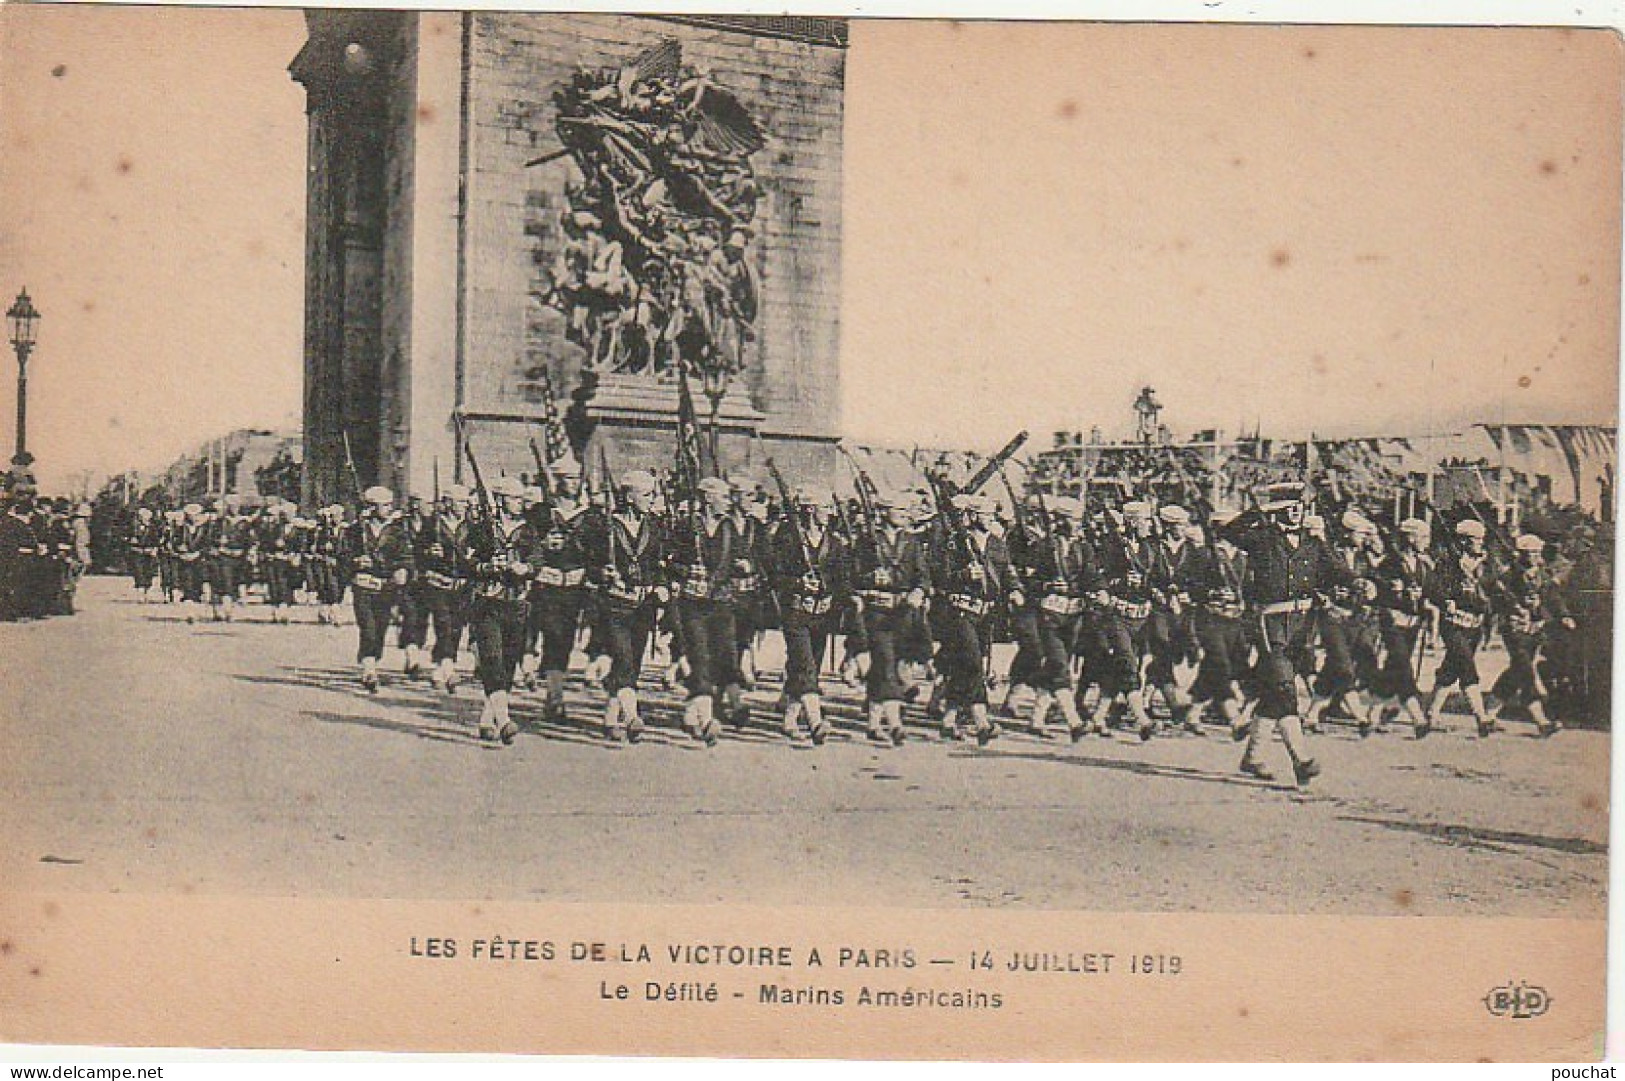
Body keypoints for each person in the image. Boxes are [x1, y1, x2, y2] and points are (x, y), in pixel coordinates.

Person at [1231, 484, 1343, 787]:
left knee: (1272, 695)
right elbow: (1229, 532)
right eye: (1289, 506)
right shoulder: (1263, 539)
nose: (1296, 511)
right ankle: (1302, 760)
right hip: (1271, 623)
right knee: (1284, 688)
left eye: (1300, 505)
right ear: (1277, 509)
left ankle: (1252, 757)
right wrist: (1260, 511)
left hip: (1302, 625)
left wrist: (1362, 585)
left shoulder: (1313, 543)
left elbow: (1337, 571)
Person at [579, 469, 668, 743]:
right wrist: (601, 573)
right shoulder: (604, 526)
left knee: (631, 664)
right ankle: (632, 717)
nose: (653, 499)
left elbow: (659, 562)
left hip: (643, 606)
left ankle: (609, 719)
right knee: (623, 658)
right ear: (629, 497)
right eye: (647, 494)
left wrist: (661, 585)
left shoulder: (653, 526)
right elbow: (587, 561)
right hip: (613, 605)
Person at [848, 491, 932, 745]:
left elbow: (923, 576)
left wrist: (919, 591)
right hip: (876, 612)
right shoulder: (865, 542)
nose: (905, 515)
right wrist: (870, 579)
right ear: (884, 512)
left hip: (904, 613)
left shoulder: (911, 542)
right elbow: (852, 576)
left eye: (907, 512)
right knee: (884, 661)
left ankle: (874, 723)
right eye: (899, 510)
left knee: (889, 665)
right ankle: (895, 723)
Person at [462, 476, 538, 744]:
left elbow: (537, 560)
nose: (520, 503)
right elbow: (465, 559)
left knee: (507, 663)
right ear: (502, 500)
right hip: (487, 602)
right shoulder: (483, 528)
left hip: (516, 602)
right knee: (491, 658)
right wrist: (485, 567)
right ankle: (504, 720)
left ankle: (487, 719)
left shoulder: (528, 530)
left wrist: (525, 568)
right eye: (516, 499)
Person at [769, 487, 847, 744]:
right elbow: (775, 574)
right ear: (811, 510)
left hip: (822, 615)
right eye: (826, 508)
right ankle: (815, 722)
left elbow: (841, 578)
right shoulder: (789, 538)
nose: (831, 514)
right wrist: (798, 583)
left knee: (804, 666)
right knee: (806, 666)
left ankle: (789, 720)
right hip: (796, 611)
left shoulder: (834, 543)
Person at [669, 475, 744, 743]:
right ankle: (707, 720)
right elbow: (669, 559)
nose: (728, 502)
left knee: (722, 658)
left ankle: (692, 713)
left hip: (721, 603)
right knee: (699, 657)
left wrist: (743, 567)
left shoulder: (728, 527)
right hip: (693, 604)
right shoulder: (687, 525)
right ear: (708, 498)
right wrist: (686, 570)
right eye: (723, 497)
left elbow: (738, 557)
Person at [1423, 518, 1497, 737]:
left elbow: (1492, 588)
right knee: (1466, 665)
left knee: (1451, 668)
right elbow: (1434, 586)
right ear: (1464, 541)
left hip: (1475, 624)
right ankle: (1481, 717)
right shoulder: (1448, 561)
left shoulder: (1486, 563)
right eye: (1476, 539)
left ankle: (1430, 714)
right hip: (1454, 622)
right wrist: (1446, 600)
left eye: (1481, 539)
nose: (1480, 543)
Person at [1489, 532, 1566, 737]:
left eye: (1536, 553)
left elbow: (1554, 598)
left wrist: (1563, 615)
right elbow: (1498, 598)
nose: (1533, 557)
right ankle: (1541, 721)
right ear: (1520, 554)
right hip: (1514, 628)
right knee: (1524, 670)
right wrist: (1517, 605)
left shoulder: (1544, 575)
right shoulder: (1509, 576)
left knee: (1516, 670)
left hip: (1535, 628)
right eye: (1528, 553)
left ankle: (1489, 713)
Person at [1370, 517, 1435, 737]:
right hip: (1392, 620)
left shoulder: (1424, 565)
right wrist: (1394, 589)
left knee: (1393, 668)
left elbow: (1431, 590)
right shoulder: (1389, 564)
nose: (1427, 541)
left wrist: (1425, 600)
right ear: (1410, 537)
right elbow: (1376, 589)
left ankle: (1374, 713)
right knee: (1403, 665)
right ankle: (1418, 718)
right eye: (1423, 536)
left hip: (1413, 622)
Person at [344, 486, 413, 693]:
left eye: (390, 505)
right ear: (372, 507)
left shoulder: (397, 532)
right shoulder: (355, 531)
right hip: (363, 585)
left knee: (381, 627)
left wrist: (402, 569)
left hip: (385, 587)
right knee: (368, 627)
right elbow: (342, 557)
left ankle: (372, 660)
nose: (388, 509)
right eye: (384, 505)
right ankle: (369, 669)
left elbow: (406, 556)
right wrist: (356, 561)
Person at [418, 485, 472, 693]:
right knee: (443, 623)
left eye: (466, 502)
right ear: (448, 502)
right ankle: (449, 668)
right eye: (460, 501)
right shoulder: (433, 524)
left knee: (456, 626)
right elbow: (417, 550)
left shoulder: (471, 526)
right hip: (438, 581)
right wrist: (429, 551)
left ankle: (440, 669)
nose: (464, 506)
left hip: (461, 583)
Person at [127, 507, 163, 602]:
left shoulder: (153, 527)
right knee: (139, 572)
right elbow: (125, 536)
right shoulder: (133, 526)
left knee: (149, 571)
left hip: (149, 552)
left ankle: (147, 591)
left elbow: (157, 539)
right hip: (137, 551)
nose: (145, 518)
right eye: (142, 516)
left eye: (147, 516)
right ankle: (140, 592)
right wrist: (129, 540)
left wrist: (154, 549)